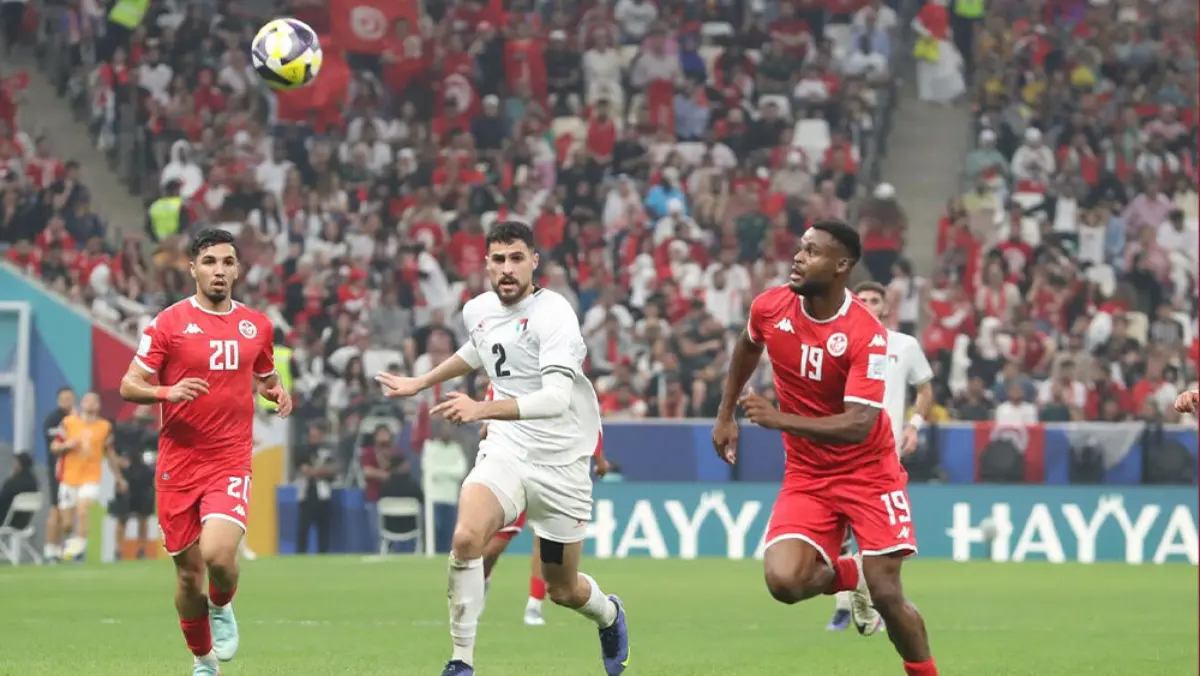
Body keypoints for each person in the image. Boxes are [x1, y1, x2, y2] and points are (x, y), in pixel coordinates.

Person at [376, 221, 630, 676]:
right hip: (507, 452)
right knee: (466, 538)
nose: (507, 269)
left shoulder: (556, 315)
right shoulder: (478, 310)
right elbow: (479, 350)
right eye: (498, 259)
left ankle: (609, 614)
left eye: (517, 258)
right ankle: (461, 661)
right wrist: (422, 382)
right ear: (486, 263)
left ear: (535, 261)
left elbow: (554, 400)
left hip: (562, 464)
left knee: (563, 589)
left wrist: (481, 410)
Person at [712, 220, 938, 676]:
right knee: (783, 581)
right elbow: (746, 347)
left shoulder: (865, 334)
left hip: (869, 473)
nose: (798, 257)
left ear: (841, 266)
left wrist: (778, 419)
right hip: (808, 474)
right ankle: (849, 575)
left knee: (889, 595)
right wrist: (725, 414)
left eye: (812, 252)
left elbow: (859, 424)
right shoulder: (771, 307)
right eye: (800, 248)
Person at [118, 228, 293, 676]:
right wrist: (167, 391)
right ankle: (203, 660)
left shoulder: (257, 326)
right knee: (186, 575)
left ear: (238, 269)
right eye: (210, 262)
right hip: (178, 462)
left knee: (218, 556)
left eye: (227, 262)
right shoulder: (167, 324)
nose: (220, 271)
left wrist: (277, 393)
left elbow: (265, 376)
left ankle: (223, 604)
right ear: (192, 267)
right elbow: (128, 385)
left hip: (230, 459)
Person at [815, 281, 937, 630]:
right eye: (861, 299)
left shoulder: (904, 345)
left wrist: (913, 425)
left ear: (885, 308)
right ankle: (847, 603)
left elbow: (925, 388)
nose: (867, 304)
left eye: (874, 300)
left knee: (879, 537)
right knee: (838, 532)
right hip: (840, 450)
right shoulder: (837, 343)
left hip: (884, 455)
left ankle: (867, 599)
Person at [479, 386, 612, 627]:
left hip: (554, 469)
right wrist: (487, 422)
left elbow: (589, 417)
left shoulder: (562, 373)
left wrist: (599, 457)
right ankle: (482, 582)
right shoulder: (514, 365)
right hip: (513, 465)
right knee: (492, 548)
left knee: (546, 543)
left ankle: (534, 605)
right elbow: (495, 388)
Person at [52, 392, 118, 561]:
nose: (89, 403)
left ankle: (79, 550)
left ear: (98, 406)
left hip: (91, 477)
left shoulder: (104, 427)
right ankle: (70, 543)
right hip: (69, 477)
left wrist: (119, 477)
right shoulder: (69, 422)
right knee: (66, 523)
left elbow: (109, 453)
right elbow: (54, 446)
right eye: (86, 400)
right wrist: (67, 445)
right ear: (81, 403)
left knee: (82, 510)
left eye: (93, 401)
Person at [109, 405, 160, 560]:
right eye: (141, 410)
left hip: (145, 480)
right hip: (126, 479)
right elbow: (110, 450)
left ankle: (141, 551)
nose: (144, 412)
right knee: (122, 516)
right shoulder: (123, 431)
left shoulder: (153, 436)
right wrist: (119, 475)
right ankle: (118, 551)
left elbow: (164, 451)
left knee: (144, 516)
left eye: (147, 411)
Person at [41, 387, 74, 562]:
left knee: (66, 512)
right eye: (64, 398)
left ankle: (59, 549)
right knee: (55, 509)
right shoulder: (53, 420)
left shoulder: (77, 419)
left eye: (70, 398)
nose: (67, 401)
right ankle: (49, 549)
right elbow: (55, 443)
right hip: (58, 471)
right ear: (58, 400)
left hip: (74, 473)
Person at [0, 451, 38, 530]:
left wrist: (10, 479)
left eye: (16, 462)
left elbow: (2, 500)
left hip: (6, 522)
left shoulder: (12, 483)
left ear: (20, 465)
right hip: (23, 523)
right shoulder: (34, 483)